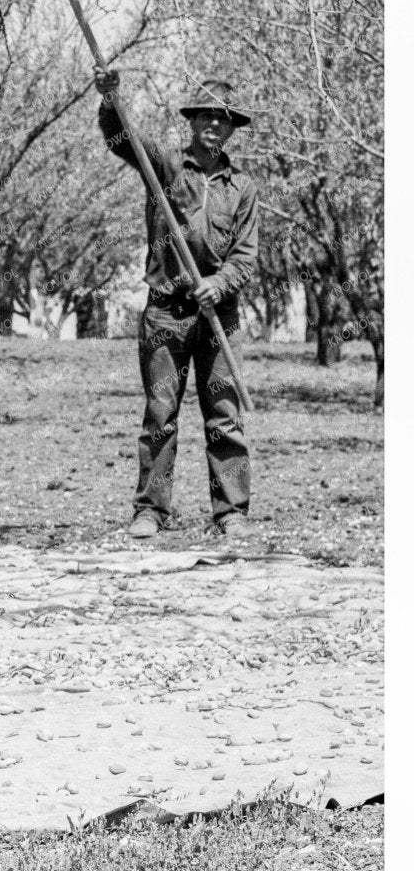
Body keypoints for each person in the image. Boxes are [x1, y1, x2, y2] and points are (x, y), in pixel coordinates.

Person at [94, 71, 259, 542]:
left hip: (219, 316)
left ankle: (231, 513)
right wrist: (111, 101)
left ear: (231, 129)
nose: (214, 123)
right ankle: (150, 511)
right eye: (206, 115)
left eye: (223, 118)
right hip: (167, 311)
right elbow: (123, 139)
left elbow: (245, 255)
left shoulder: (243, 187)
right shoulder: (165, 165)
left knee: (224, 416)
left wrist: (219, 283)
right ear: (193, 121)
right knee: (160, 414)